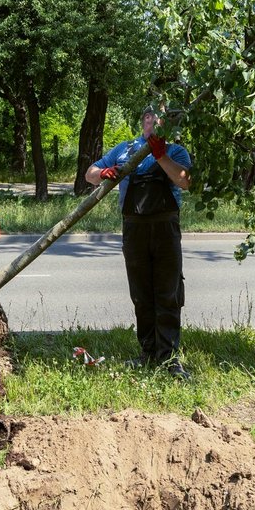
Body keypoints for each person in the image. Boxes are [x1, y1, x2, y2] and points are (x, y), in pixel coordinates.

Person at [86, 106, 192, 380]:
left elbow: (184, 181)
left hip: (165, 228)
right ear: (142, 122)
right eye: (147, 116)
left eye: (157, 117)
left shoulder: (176, 151)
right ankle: (147, 353)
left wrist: (160, 155)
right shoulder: (125, 149)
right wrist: (104, 173)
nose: (152, 120)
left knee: (168, 294)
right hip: (133, 228)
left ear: (166, 124)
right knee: (141, 294)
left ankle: (169, 358)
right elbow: (89, 173)